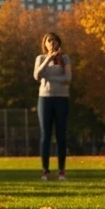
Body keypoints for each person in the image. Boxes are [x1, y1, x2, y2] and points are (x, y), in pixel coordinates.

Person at [34, 31, 72, 181]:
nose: (52, 44)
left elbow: (68, 78)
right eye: (49, 41)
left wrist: (49, 76)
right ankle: (45, 170)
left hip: (62, 99)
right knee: (45, 135)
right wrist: (48, 59)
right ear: (45, 44)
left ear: (59, 44)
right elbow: (37, 76)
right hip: (45, 99)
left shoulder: (65, 59)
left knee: (61, 135)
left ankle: (61, 170)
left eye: (55, 41)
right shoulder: (40, 58)